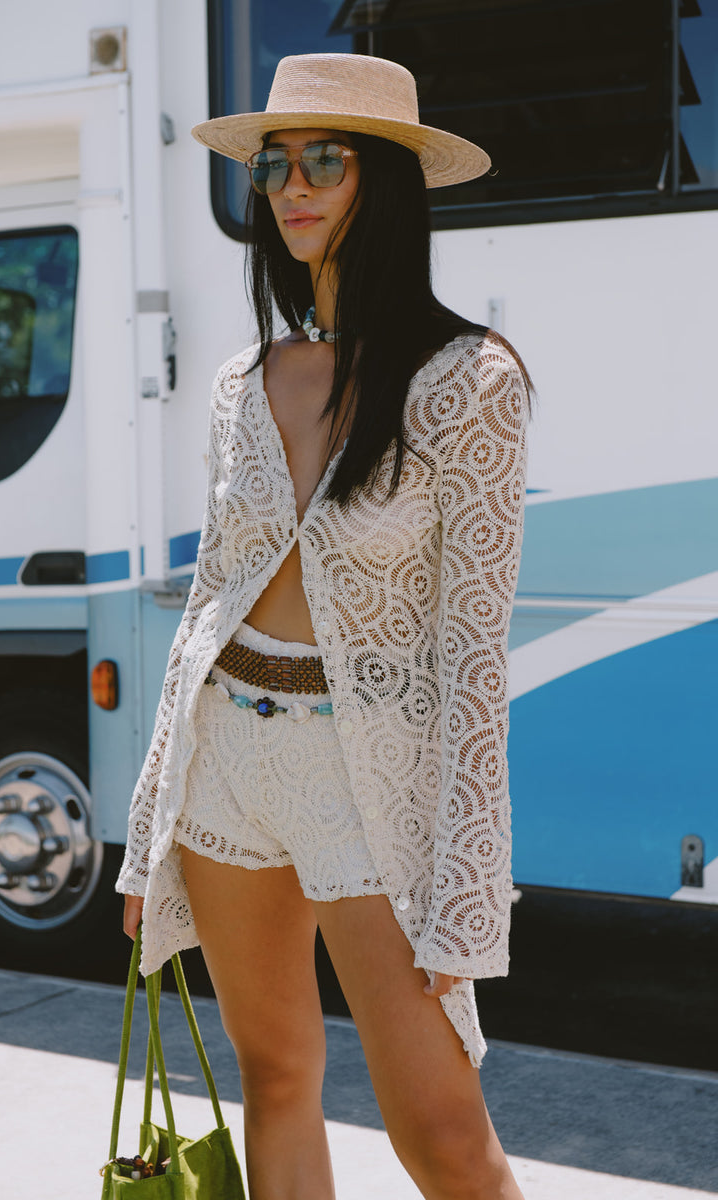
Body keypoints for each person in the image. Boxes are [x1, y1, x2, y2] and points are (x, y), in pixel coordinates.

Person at [118, 52, 530, 1200]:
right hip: (226, 762)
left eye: (323, 161)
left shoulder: (469, 381)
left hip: (366, 780)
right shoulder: (241, 382)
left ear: (382, 179)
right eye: (273, 166)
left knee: (443, 1138)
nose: (290, 188)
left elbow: (471, 660)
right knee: (276, 1077)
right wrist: (148, 825)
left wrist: (465, 896)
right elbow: (206, 604)